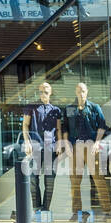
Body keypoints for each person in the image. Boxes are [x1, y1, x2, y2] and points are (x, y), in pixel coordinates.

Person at [63, 82, 109, 220]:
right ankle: (76, 212)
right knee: (75, 181)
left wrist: (97, 143)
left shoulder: (94, 107)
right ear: (75, 92)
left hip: (91, 146)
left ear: (87, 91)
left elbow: (102, 125)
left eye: (83, 91)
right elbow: (65, 128)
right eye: (78, 91)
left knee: (98, 179)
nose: (81, 93)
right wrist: (67, 145)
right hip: (75, 146)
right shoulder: (69, 109)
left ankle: (107, 211)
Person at [22, 82, 63, 215]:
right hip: (35, 147)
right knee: (33, 178)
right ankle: (37, 208)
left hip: (51, 148)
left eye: (45, 92)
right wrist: (27, 142)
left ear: (50, 93)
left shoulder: (56, 110)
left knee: (49, 180)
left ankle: (46, 209)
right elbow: (25, 125)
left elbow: (58, 129)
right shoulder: (31, 107)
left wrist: (59, 143)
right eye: (40, 92)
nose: (43, 94)